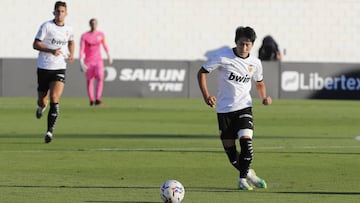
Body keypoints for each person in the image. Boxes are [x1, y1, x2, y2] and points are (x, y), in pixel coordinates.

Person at [197, 26, 272, 190]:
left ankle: (242, 180)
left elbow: (259, 83)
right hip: (224, 111)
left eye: (248, 44)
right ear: (235, 42)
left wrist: (264, 98)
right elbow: (201, 73)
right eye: (241, 44)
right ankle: (249, 174)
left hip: (244, 107)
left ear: (252, 45)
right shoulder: (223, 57)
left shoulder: (255, 63)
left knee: (247, 144)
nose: (244, 48)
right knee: (232, 155)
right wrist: (206, 96)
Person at [33, 1, 74, 143]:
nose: (60, 14)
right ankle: (41, 106)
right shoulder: (46, 26)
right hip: (44, 67)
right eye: (58, 11)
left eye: (62, 11)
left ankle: (49, 132)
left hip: (59, 67)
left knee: (55, 98)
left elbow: (71, 41)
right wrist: (51, 50)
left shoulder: (69, 29)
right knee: (43, 100)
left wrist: (71, 54)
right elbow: (35, 44)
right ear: (54, 13)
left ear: (66, 13)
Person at [79, 18, 112, 106]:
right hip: (88, 61)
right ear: (90, 24)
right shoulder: (85, 36)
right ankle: (91, 100)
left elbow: (105, 45)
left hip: (98, 61)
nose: (94, 25)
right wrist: (81, 62)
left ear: (97, 24)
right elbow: (81, 49)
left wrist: (109, 55)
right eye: (92, 23)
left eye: (95, 23)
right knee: (90, 80)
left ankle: (98, 99)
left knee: (100, 78)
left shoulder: (101, 35)